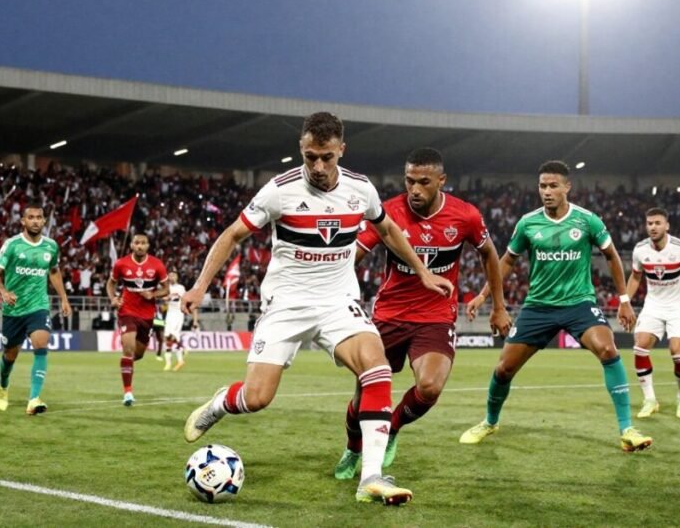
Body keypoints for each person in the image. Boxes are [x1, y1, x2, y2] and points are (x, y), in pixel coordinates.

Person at [181, 112, 453, 505]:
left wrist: (423, 272)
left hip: (338, 302)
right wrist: (199, 285)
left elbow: (388, 229)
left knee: (375, 367)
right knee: (257, 398)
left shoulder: (361, 189)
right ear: (301, 151)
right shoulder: (279, 191)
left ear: (341, 150)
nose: (319, 167)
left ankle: (372, 477)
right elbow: (233, 234)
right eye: (311, 157)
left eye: (327, 156)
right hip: (286, 304)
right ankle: (221, 402)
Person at [333, 148, 512, 480]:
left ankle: (393, 428)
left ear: (441, 181)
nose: (414, 189)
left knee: (429, 387)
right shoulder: (388, 213)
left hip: (435, 316)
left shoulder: (465, 216)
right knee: (364, 396)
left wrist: (498, 306)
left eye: (424, 182)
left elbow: (489, 253)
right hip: (388, 315)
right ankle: (353, 449)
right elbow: (351, 256)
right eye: (409, 180)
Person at [462, 160, 652, 452]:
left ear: (567, 187)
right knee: (504, 369)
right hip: (538, 306)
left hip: (579, 303)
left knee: (608, 349)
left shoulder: (588, 220)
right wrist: (484, 295)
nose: (547, 191)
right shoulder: (528, 223)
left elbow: (612, 256)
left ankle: (627, 429)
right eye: (542, 186)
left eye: (553, 186)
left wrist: (625, 300)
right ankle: (489, 421)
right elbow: (507, 261)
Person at [625, 207, 680, 419]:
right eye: (650, 223)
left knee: (677, 351)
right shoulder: (640, 249)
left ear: (667, 225)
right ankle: (650, 400)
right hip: (653, 304)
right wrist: (624, 302)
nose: (653, 227)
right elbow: (635, 277)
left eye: (657, 223)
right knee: (640, 346)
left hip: (679, 306)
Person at [0, 204, 71, 415]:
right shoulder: (12, 245)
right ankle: (3, 384)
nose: (35, 221)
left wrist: (63, 298)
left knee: (41, 344)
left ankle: (33, 399)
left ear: (44, 221)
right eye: (31, 217)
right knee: (10, 355)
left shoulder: (51, 246)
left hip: (38, 306)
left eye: (39, 217)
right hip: (13, 309)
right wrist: (4, 292)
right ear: (23, 221)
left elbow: (53, 271)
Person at [107, 233, 169, 406]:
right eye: (137, 243)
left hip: (147, 315)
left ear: (148, 246)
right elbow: (110, 283)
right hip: (127, 311)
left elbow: (166, 289)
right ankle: (128, 393)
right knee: (128, 349)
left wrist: (152, 294)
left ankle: (125, 365)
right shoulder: (121, 264)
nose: (140, 246)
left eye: (143, 243)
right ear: (132, 245)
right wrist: (113, 298)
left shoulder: (157, 265)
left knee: (138, 354)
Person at [162, 270, 196, 371]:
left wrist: (194, 318)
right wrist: (165, 300)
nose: (172, 277)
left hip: (178, 314)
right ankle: (174, 359)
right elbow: (164, 302)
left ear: (177, 277)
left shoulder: (180, 288)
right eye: (170, 275)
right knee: (167, 337)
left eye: (174, 275)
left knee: (173, 337)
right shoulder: (166, 288)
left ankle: (178, 360)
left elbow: (186, 300)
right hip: (169, 314)